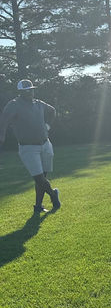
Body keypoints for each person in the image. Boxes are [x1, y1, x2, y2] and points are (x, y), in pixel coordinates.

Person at [0, 79, 61, 214]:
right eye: (26, 91)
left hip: (45, 144)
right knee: (39, 178)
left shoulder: (39, 103)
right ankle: (53, 194)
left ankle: (38, 206)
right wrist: (2, 136)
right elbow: (3, 120)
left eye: (31, 90)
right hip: (28, 148)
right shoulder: (14, 105)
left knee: (42, 178)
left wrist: (47, 125)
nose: (30, 92)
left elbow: (52, 111)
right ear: (20, 92)